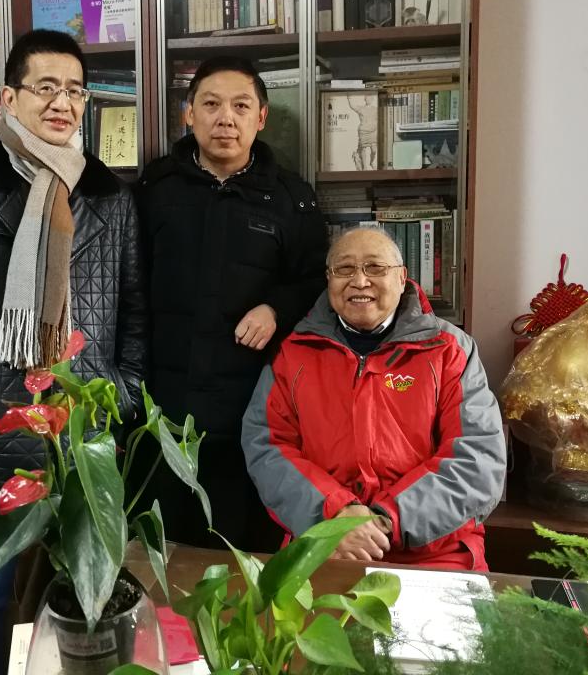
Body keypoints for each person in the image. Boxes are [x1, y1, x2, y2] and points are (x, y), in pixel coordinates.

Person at [0, 29, 146, 674]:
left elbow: (134, 305)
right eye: (46, 87)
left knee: (90, 601)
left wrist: (123, 390)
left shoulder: (109, 194)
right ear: (9, 99)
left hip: (85, 435)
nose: (62, 102)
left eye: (75, 91)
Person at [136, 55, 328, 553]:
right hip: (162, 411)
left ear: (261, 118)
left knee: (242, 555)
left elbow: (318, 280)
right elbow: (127, 286)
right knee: (160, 555)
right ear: (189, 114)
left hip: (251, 417)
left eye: (241, 106)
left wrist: (276, 309)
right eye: (211, 105)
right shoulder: (154, 189)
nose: (226, 118)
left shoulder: (292, 199)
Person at [242, 226, 505, 569]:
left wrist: (384, 520)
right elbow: (267, 446)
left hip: (434, 554)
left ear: (402, 278)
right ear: (328, 279)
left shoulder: (450, 350)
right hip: (324, 542)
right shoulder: (293, 353)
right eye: (344, 269)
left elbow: (478, 458)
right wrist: (336, 516)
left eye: (375, 268)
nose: (359, 281)